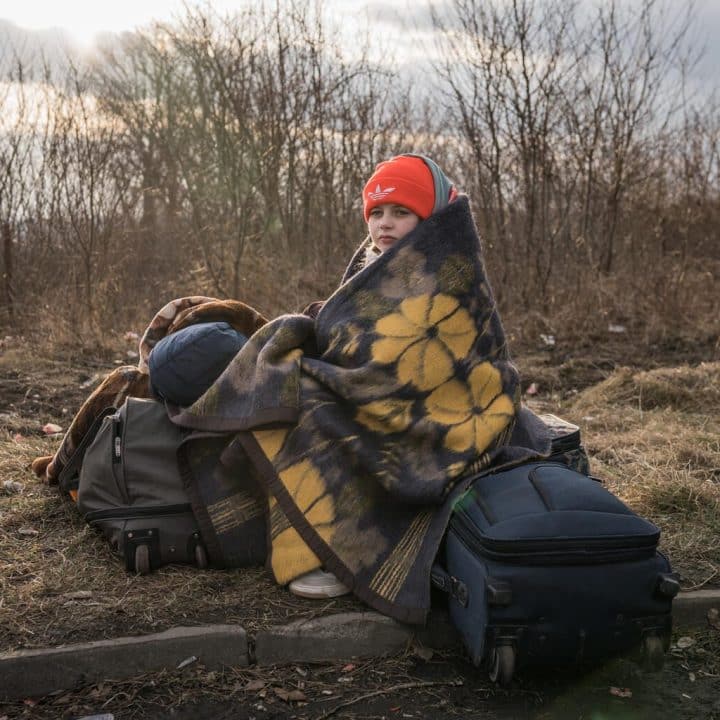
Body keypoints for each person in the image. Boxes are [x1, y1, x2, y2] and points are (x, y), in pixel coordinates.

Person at [287, 153, 459, 599]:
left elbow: (440, 354)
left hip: (431, 411)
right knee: (286, 389)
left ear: (430, 217)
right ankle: (305, 534)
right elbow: (350, 332)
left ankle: (352, 555)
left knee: (326, 413)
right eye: (377, 212)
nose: (385, 223)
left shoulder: (446, 272)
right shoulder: (370, 268)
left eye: (402, 212)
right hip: (375, 389)